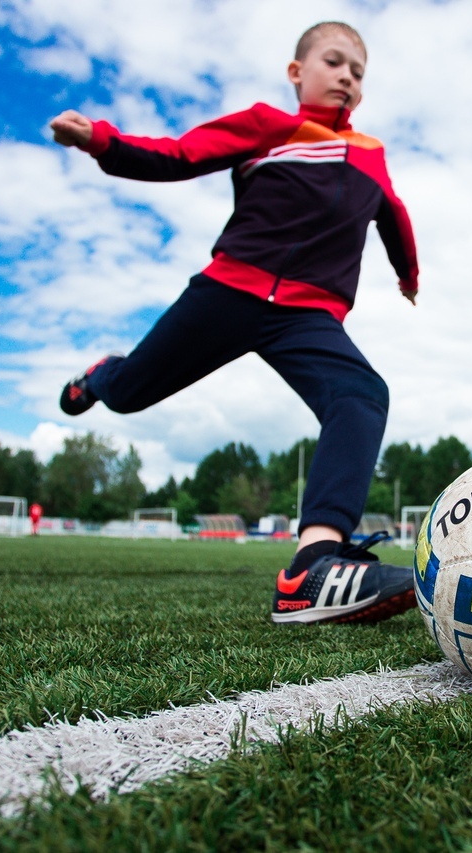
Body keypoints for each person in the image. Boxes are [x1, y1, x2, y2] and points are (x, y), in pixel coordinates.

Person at [49, 22, 419, 625]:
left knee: (361, 394)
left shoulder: (372, 155)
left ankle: (312, 569)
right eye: (334, 62)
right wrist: (104, 142)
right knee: (132, 393)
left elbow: (393, 214)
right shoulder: (266, 127)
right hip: (230, 290)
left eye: (359, 71)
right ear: (298, 72)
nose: (348, 76)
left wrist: (409, 274)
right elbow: (177, 155)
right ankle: (100, 378)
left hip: (307, 314)